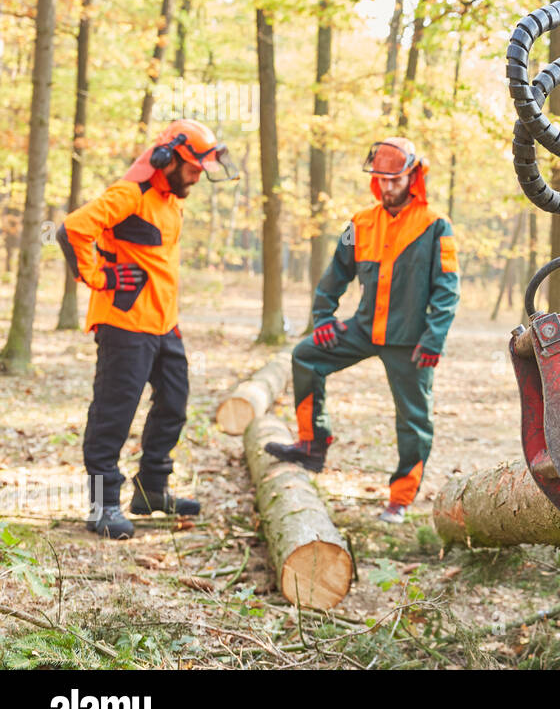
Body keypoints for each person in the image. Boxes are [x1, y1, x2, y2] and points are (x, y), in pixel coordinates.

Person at [57, 119, 238, 539]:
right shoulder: (129, 194)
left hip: (164, 326)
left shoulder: (171, 199)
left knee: (174, 404)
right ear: (167, 158)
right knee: (113, 415)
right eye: (193, 167)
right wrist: (99, 277)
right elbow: (72, 229)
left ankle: (150, 490)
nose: (198, 176)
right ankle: (103, 505)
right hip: (125, 326)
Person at [264, 137, 459, 523]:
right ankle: (310, 445)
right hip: (364, 328)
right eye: (382, 180)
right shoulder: (359, 224)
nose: (388, 188)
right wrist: (323, 318)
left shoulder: (436, 225)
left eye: (396, 180)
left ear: (412, 176)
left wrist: (434, 337)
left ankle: (400, 499)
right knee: (305, 356)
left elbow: (447, 289)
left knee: (413, 418)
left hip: (410, 340)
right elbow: (335, 275)